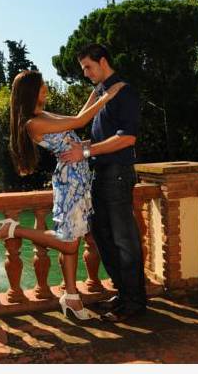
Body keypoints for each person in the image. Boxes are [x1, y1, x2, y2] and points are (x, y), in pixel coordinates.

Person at [0, 69, 125, 321]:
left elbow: (76, 117)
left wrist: (96, 91)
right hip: (69, 179)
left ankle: (71, 297)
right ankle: (14, 229)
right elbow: (80, 122)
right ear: (31, 91)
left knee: (72, 239)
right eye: (41, 86)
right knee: (69, 243)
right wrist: (108, 96)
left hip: (78, 176)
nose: (46, 88)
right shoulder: (33, 123)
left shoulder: (43, 115)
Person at [59, 43, 147, 322]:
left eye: (88, 66)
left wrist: (85, 152)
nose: (85, 73)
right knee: (103, 237)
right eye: (83, 68)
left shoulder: (125, 91)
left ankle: (135, 302)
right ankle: (124, 294)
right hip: (100, 174)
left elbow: (127, 138)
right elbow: (94, 134)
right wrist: (80, 148)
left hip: (118, 174)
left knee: (124, 240)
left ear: (103, 61)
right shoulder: (101, 93)